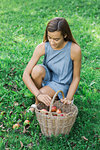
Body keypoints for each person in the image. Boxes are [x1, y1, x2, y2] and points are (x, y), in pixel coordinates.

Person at [22, 17, 81, 112]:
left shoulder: (74, 50)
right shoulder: (42, 47)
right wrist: (38, 95)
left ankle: (46, 100)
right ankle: (37, 103)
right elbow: (25, 75)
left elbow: (76, 78)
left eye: (56, 39)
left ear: (65, 35)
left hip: (62, 83)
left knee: (43, 94)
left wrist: (68, 98)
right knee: (36, 70)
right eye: (50, 38)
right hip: (49, 78)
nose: (52, 42)